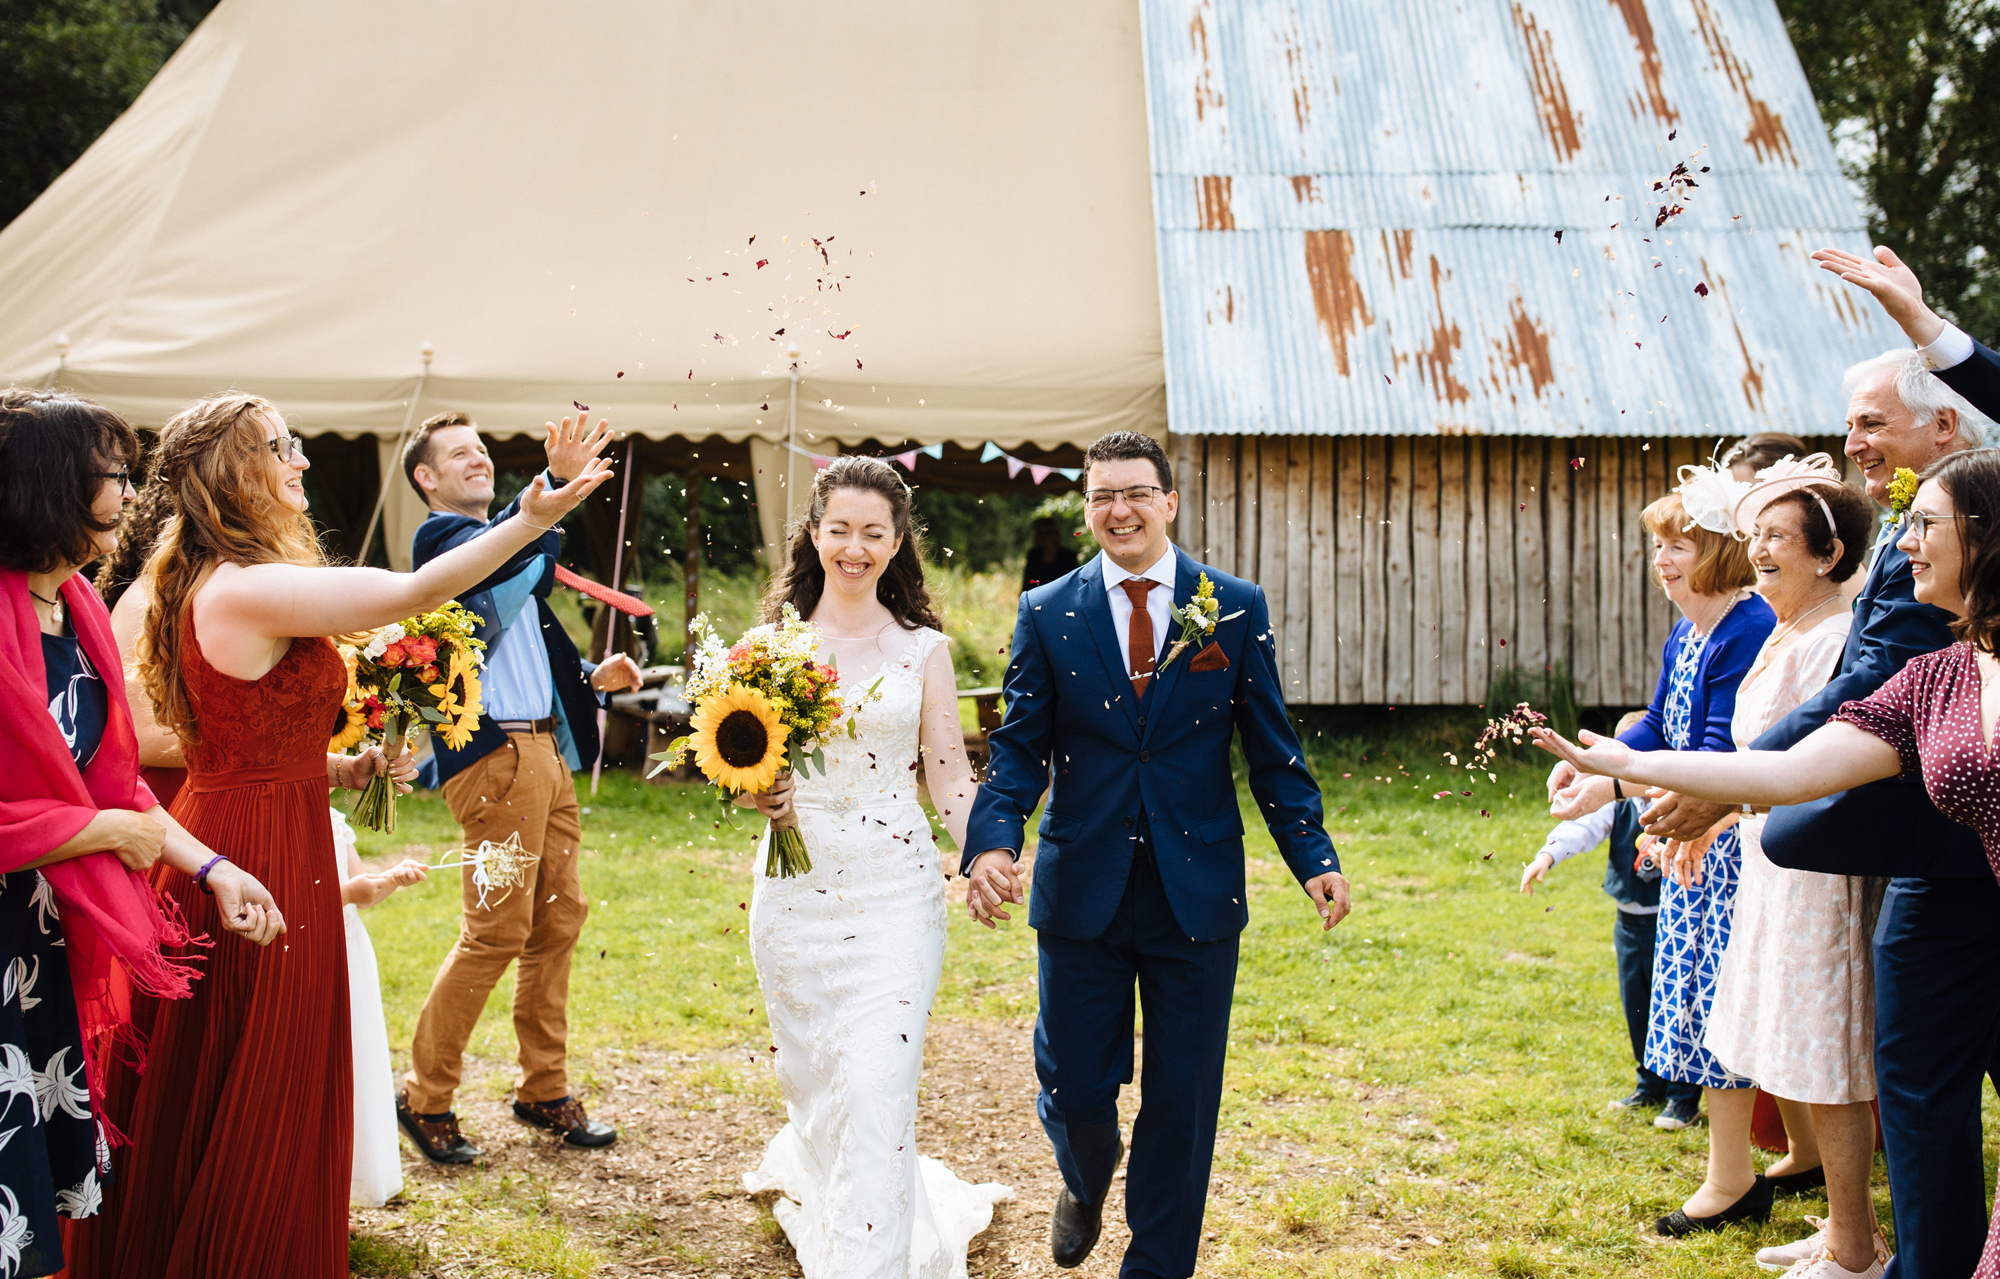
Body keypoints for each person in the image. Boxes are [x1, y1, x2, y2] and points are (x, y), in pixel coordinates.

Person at [66, 393, 612, 1278]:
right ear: (233, 474)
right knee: (259, 1081)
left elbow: (238, 740)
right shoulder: (243, 584)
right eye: (281, 446)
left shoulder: (213, 576)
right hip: (257, 854)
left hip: (254, 829)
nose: (303, 461)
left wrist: (334, 768)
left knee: (238, 1079)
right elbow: (416, 589)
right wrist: (534, 513)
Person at [1531, 447, 2000, 1279]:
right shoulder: (1933, 675)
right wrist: (1625, 770)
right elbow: (1779, 772)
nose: (1903, 541)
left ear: (1989, 535)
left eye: (1924, 523)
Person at [1662, 285, 1997, 1275]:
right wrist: (1666, 776)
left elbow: (1857, 682)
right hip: (1931, 840)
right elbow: (1866, 706)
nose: (1852, 444)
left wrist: (1924, 327)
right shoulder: (1922, 589)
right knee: (1919, 1074)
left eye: (1870, 423)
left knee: (1920, 1070)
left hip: (1935, 839)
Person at [961, 431, 1348, 1278]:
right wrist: (993, 841)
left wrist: (1312, 852)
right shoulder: (1048, 609)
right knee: (1074, 1089)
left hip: (1196, 888)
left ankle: (1156, 1264)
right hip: (1082, 883)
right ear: (1086, 506)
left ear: (1169, 501)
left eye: (1135, 492)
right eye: (1101, 495)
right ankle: (1085, 1172)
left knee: (1183, 1101)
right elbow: (1020, 747)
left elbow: (1270, 744)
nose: (1118, 510)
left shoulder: (1232, 604)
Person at [0, 389, 284, 1277]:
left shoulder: (74, 608)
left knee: (29, 1213)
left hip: (40, 939)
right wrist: (95, 831)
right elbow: (98, 812)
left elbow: (114, 789)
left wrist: (213, 867)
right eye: (110, 476)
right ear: (47, 487)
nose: (128, 493)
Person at [734, 456, 1011, 1277]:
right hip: (792, 899)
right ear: (814, 534)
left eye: (873, 533)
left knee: (877, 1089)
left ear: (897, 543)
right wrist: (760, 794)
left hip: (896, 896)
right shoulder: (764, 650)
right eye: (839, 529)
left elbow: (949, 773)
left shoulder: (924, 650)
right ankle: (848, 1217)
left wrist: (983, 848)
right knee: (823, 1093)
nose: (854, 547)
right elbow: (738, 766)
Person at [395, 410, 642, 1163]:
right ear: (425, 479)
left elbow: (516, 636)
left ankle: (544, 1087)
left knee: (559, 918)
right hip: (496, 760)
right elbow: (502, 560)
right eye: (457, 453)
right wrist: (557, 487)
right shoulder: (443, 543)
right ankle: (424, 1095)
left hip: (544, 753)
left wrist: (588, 681)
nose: (477, 459)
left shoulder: (509, 552)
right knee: (497, 930)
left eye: (481, 450)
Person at [1546, 464, 1776, 1230]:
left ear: (1720, 548)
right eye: (1659, 546)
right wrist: (1599, 759)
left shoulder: (1744, 628)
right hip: (1692, 831)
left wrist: (1615, 785)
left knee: (1723, 1005)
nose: (1664, 559)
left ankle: (1732, 1180)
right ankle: (1793, 1158)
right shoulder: (1690, 630)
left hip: (1725, 839)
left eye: (1681, 543)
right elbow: (1659, 728)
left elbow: (1714, 753)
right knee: (1720, 1002)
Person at [1691, 457, 1886, 1277]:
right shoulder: (1784, 625)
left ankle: (1856, 1246)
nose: (1758, 548)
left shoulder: (1837, 637)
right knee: (1798, 1046)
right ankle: (1849, 1225)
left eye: (1776, 536)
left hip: (1820, 868)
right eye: (1754, 535)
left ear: (1829, 553)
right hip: (1770, 860)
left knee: (1830, 1053)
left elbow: (1813, 760)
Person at [1520, 710, 1700, 1119]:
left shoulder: (1675, 801)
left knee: (1673, 1003)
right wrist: (1546, 856)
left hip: (1669, 919)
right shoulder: (1613, 801)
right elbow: (1581, 826)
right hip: (1629, 919)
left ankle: (1682, 1097)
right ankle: (1648, 1084)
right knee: (1636, 1004)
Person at [330, 806, 426, 1208]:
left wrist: (391, 879)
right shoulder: (276, 815)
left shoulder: (335, 820)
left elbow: (359, 887)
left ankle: (337, 1190)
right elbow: (298, 893)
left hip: (348, 951)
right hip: (311, 945)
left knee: (349, 1065)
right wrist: (352, 893)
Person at [1021, 515, 1076, 592]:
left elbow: (1074, 585)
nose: (1046, 537)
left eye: (1050, 533)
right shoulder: (1034, 555)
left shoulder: (1068, 557)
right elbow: (1027, 586)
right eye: (1042, 533)